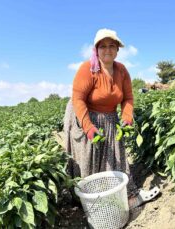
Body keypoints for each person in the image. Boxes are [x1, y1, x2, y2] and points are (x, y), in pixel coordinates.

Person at [64, 28, 159, 209]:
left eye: (112, 46)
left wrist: (127, 115)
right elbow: (78, 99)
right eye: (103, 46)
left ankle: (128, 197)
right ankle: (91, 202)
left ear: (117, 50)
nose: (107, 50)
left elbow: (128, 97)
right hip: (84, 113)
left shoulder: (122, 71)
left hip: (109, 116)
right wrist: (88, 127)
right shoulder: (88, 69)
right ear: (96, 49)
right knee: (88, 156)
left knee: (116, 155)